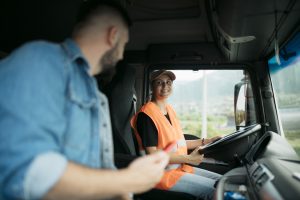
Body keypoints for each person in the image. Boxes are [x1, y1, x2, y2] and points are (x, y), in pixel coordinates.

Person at [0, 1, 169, 200]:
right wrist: (129, 179)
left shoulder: (98, 98)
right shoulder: (38, 60)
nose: (122, 54)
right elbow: (28, 172)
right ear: (112, 35)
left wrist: (124, 191)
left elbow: (101, 168)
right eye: (123, 44)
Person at [131, 70, 222, 200]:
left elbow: (179, 142)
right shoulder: (146, 116)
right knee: (217, 192)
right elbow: (153, 155)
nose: (165, 86)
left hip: (179, 167)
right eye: (159, 83)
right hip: (162, 174)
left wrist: (208, 141)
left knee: (223, 181)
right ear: (152, 86)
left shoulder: (169, 110)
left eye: (168, 82)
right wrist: (189, 159)